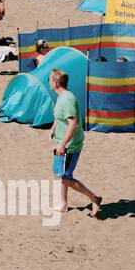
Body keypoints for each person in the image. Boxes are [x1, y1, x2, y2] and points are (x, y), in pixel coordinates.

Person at [49, 67, 101, 217]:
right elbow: (60, 116)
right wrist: (53, 128)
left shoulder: (67, 99)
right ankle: (64, 204)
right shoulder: (60, 96)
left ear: (56, 83)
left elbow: (73, 123)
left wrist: (63, 144)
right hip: (61, 141)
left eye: (50, 79)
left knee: (64, 176)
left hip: (69, 145)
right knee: (60, 173)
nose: (48, 82)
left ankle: (94, 198)